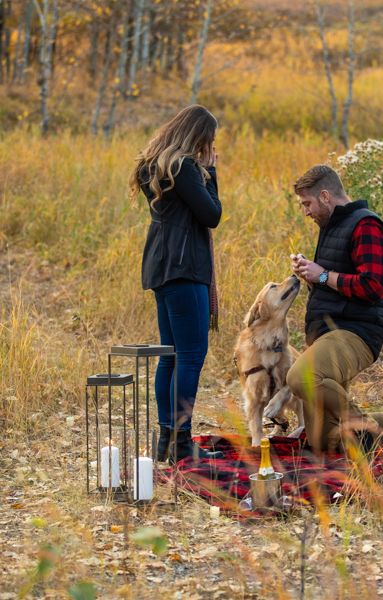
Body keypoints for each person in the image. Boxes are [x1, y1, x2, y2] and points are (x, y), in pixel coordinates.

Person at [288, 164, 383, 455]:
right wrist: (311, 277)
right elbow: (337, 283)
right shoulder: (331, 227)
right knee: (322, 441)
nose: (306, 212)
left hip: (355, 333)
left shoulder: (366, 226)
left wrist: (322, 274)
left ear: (325, 196)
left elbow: (373, 287)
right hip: (327, 335)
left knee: (300, 376)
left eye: (307, 204)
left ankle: (364, 434)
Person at [128, 105, 224, 462]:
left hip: (160, 263)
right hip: (183, 265)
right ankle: (182, 443)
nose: (209, 147)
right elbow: (211, 215)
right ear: (197, 135)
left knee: (169, 355)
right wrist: (211, 173)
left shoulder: (153, 164)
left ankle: (167, 441)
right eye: (208, 140)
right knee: (190, 355)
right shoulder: (183, 166)